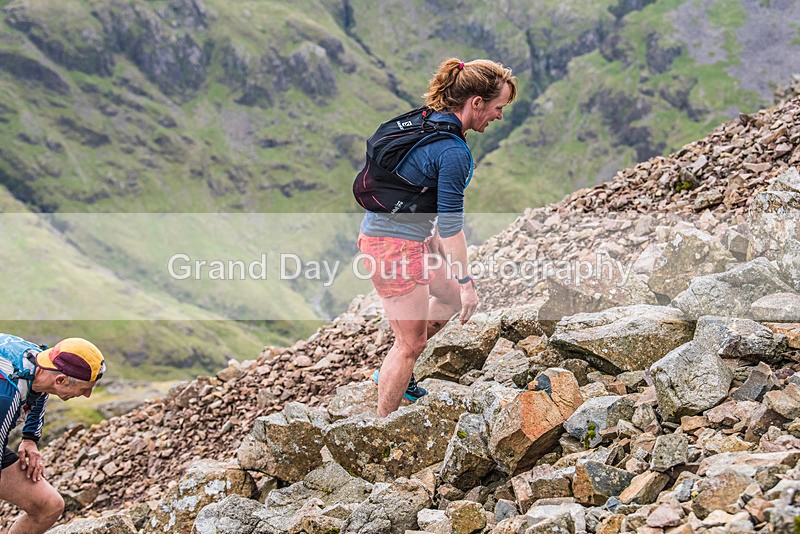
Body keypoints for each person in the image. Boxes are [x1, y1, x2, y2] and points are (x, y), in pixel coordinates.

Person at [358, 58, 517, 417]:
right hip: (392, 247)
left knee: (449, 300)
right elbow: (452, 226)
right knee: (410, 344)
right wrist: (467, 282)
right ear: (476, 103)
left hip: (400, 238)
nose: (499, 116)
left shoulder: (430, 119)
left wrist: (429, 242)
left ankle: (394, 372)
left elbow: (419, 189)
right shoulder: (454, 151)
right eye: (497, 107)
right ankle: (380, 427)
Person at [0, 334, 105, 533]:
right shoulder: (7, 396)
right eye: (84, 389)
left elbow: (39, 388)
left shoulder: (40, 360)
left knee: (48, 506)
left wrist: (30, 438)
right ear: (61, 380)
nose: (87, 395)